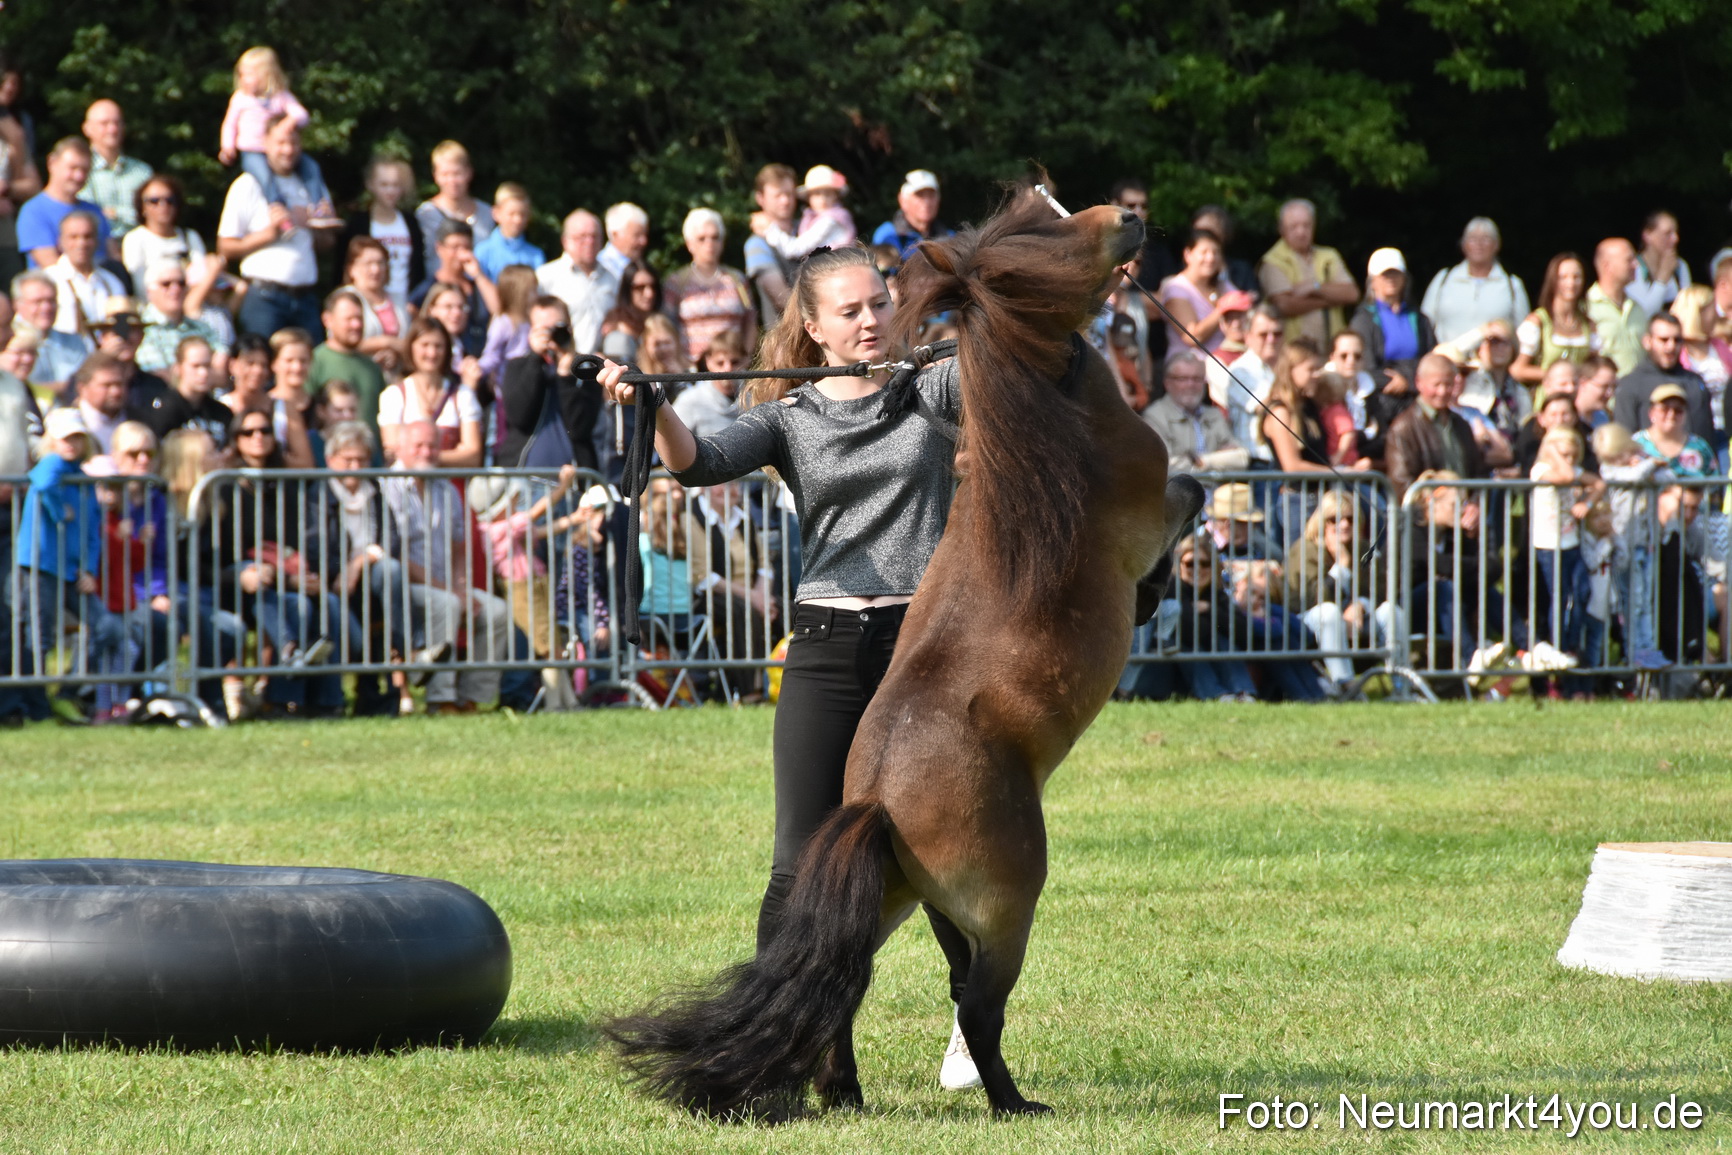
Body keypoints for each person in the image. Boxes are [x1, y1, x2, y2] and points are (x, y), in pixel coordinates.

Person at [595, 244, 978, 1086]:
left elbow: (1030, 359)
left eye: (879, 303)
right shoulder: (791, 415)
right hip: (827, 648)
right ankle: (789, 1046)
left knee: (939, 852)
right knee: (796, 866)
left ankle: (973, 1028)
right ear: (813, 326)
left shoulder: (935, 385)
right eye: (850, 311)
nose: (871, 320)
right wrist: (654, 403)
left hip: (920, 653)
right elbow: (697, 464)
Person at [383, 419, 515, 713]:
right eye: (418, 445)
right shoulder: (387, 487)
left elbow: (458, 546)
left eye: (432, 446)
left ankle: (472, 698)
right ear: (400, 448)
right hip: (403, 589)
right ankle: (440, 699)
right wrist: (450, 591)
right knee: (447, 604)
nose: (426, 452)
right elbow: (396, 553)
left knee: (497, 611)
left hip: (445, 585)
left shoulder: (447, 489)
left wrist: (460, 586)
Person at [226, 405, 347, 718]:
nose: (258, 437)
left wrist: (307, 576)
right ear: (236, 439)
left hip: (285, 577)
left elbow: (300, 542)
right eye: (248, 432)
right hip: (241, 583)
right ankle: (283, 698)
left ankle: (327, 700)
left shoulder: (286, 486)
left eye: (265, 430)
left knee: (326, 604)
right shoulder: (225, 487)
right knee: (296, 604)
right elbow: (222, 554)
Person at [14, 407, 128, 722]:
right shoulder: (51, 463)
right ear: (52, 440)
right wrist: (58, 510)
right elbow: (42, 483)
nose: (71, 444)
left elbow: (92, 531)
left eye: (77, 437)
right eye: (65, 438)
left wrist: (89, 569)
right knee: (40, 637)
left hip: (73, 569)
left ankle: (67, 690)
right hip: (42, 564)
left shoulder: (83, 478)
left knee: (106, 628)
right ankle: (36, 704)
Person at [216, 114, 328, 339]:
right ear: (265, 142)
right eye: (281, 142)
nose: (288, 150)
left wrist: (313, 225)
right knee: (261, 359)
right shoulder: (247, 184)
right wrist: (269, 234)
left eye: (293, 143)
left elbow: (327, 244)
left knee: (310, 361)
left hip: (305, 297)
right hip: (264, 297)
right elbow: (225, 247)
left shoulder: (312, 185)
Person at [1284, 489, 1399, 690]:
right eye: (1335, 519)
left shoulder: (1363, 548)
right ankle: (1346, 685)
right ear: (1322, 522)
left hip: (1354, 623)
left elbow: (1381, 589)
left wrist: (1360, 605)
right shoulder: (1305, 549)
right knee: (1329, 612)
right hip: (1306, 623)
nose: (1344, 524)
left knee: (1391, 611)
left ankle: (1403, 686)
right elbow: (1315, 598)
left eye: (1350, 519)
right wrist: (1342, 566)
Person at [218, 47, 336, 224]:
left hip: (275, 151)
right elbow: (229, 125)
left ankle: (319, 207)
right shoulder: (240, 98)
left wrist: (289, 121)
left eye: (248, 75)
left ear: (265, 75)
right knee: (264, 177)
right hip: (253, 151)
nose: (242, 79)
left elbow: (302, 115)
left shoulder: (280, 97)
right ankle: (278, 209)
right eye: (241, 75)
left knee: (311, 167)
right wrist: (227, 147)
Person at [1529, 427, 1602, 696]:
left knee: (1582, 592)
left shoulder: (1570, 469)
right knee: (1559, 599)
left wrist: (1587, 504)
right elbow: (1567, 476)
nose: (1569, 460)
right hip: (1549, 546)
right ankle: (1559, 648)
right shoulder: (1540, 470)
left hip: (1571, 543)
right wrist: (1552, 453)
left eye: (1573, 455)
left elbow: (1599, 484)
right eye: (1564, 454)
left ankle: (1570, 643)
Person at [498, 296, 603, 469]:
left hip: (575, 478)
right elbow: (519, 418)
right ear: (531, 332)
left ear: (570, 329)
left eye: (558, 328)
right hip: (523, 476)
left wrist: (566, 375)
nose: (552, 336)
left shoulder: (587, 370)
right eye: (544, 330)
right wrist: (535, 359)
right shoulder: (517, 366)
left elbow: (580, 429)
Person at [377, 317, 483, 466]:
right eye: (425, 345)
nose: (432, 353)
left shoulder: (463, 396)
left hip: (450, 481)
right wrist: (454, 455)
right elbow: (393, 452)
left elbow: (473, 456)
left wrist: (420, 456)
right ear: (411, 347)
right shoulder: (394, 395)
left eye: (438, 346)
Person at [1385, 353, 1487, 500]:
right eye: (1436, 385)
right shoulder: (1403, 427)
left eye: (1448, 384)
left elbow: (1479, 473)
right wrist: (1435, 505)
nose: (1442, 391)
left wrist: (1475, 503)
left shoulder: (1461, 424)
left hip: (1463, 510)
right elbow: (1402, 483)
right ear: (1418, 382)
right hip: (1427, 512)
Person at [1257, 198, 1357, 346]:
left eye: (1306, 225)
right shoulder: (1272, 261)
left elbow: (1351, 294)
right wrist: (1330, 299)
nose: (1301, 232)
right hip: (1293, 351)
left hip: (1333, 350)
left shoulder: (1329, 256)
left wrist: (1315, 287)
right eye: (1294, 226)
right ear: (1281, 229)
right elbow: (1286, 306)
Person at [662, 208, 755, 364]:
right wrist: (680, 363)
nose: (709, 244)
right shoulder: (676, 282)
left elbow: (751, 319)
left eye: (715, 237)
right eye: (702, 238)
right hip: (691, 368)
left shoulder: (737, 279)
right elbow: (666, 326)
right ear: (689, 243)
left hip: (733, 367)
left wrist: (745, 359)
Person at [1419, 218, 1531, 346]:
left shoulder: (1512, 285)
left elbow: (1524, 334)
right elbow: (1424, 325)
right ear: (1464, 245)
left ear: (1496, 245)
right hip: (1447, 356)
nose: (1479, 244)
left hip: (1494, 358)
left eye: (1486, 239)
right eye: (1472, 239)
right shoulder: (1443, 279)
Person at [1611, 312, 1715, 444]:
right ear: (1647, 342)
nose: (1671, 346)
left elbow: (1707, 438)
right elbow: (1625, 439)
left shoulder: (1695, 382)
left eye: (1677, 340)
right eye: (1664, 340)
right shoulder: (1630, 384)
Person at [1140, 351, 1248, 475]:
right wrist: (1220, 460)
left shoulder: (1214, 414)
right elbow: (1164, 465)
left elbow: (1242, 458)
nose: (1190, 385)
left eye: (1197, 379)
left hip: (1215, 488)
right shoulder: (1154, 416)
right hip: (1178, 487)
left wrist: (1202, 461)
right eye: (1183, 379)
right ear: (1167, 383)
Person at [1349, 247, 1435, 398]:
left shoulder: (1419, 318)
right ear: (1372, 281)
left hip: (1419, 394)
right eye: (1384, 274)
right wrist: (1393, 381)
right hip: (1380, 397)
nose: (1390, 278)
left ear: (1404, 278)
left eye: (1395, 273)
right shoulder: (1363, 321)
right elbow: (1364, 366)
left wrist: (1408, 382)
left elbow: (1431, 357)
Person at [338, 156, 424, 306]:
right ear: (371, 185)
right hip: (367, 302)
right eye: (384, 185)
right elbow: (344, 265)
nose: (390, 191)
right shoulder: (359, 223)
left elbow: (418, 267)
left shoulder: (411, 223)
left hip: (405, 301)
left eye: (395, 185)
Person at [121, 174, 222, 296]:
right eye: (154, 201)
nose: (163, 205)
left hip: (193, 300)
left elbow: (203, 276)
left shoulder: (190, 236)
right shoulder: (135, 239)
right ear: (142, 207)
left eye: (170, 200)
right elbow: (139, 285)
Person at [17, 137, 109, 270]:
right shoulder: (34, 211)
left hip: (101, 280)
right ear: (52, 163)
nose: (79, 176)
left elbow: (112, 255)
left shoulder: (94, 210)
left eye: (85, 170)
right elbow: (50, 265)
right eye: (72, 168)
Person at [1158, 228, 1252, 358]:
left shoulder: (1223, 285)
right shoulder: (1177, 288)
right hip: (1190, 364)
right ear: (1188, 254)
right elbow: (1191, 337)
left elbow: (1244, 308)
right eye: (1204, 252)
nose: (1210, 258)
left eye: (1216, 252)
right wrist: (1222, 310)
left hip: (1226, 360)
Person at [1511, 252, 1599, 386]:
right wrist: (1558, 375)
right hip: (1548, 395)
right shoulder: (1538, 321)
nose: (1571, 283)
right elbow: (1517, 370)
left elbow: (1595, 367)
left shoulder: (1589, 325)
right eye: (1563, 277)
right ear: (1553, 280)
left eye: (1576, 277)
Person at [130, 335, 233, 449]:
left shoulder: (221, 412)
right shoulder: (164, 410)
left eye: (207, 366)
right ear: (178, 368)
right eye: (196, 366)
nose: (203, 373)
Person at [410, 220, 496, 354]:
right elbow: (411, 312)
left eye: (466, 247)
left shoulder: (478, 286)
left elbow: (498, 309)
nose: (461, 253)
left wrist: (478, 274)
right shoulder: (427, 288)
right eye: (455, 247)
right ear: (439, 248)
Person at [536, 209, 616, 354]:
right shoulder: (546, 276)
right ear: (565, 241)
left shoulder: (612, 278)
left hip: (600, 361)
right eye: (582, 237)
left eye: (594, 236)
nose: (589, 242)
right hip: (560, 359)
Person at [1670, 283, 1732, 469]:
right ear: (1695, 313)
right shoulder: (1677, 351)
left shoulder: (1719, 347)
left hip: (1725, 430)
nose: (1716, 314)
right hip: (1693, 433)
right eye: (1710, 309)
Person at [310, 289, 387, 431]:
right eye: (349, 319)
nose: (356, 325)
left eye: (360, 318)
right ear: (327, 320)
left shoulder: (372, 367)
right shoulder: (314, 362)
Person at [415, 140, 493, 278]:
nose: (452, 181)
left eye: (457, 173)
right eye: (445, 174)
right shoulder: (425, 214)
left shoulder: (487, 213)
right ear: (435, 176)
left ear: (469, 172)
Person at [1216, 303, 1283, 456]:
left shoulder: (1286, 367)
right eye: (1263, 334)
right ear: (1248, 337)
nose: (1271, 339)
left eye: (1277, 333)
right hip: (1257, 460)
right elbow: (1269, 406)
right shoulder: (1240, 370)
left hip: (1282, 459)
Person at [135, 259, 223, 373]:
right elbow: (157, 375)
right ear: (149, 292)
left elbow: (221, 369)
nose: (175, 289)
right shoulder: (141, 329)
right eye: (166, 284)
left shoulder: (201, 327)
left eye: (181, 283)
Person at [44, 210, 125, 334]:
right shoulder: (48, 280)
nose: (81, 243)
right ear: (60, 241)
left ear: (97, 241)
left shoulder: (110, 281)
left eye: (88, 236)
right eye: (73, 237)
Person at [753, 164, 857, 260]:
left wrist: (769, 229)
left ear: (836, 196)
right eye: (817, 194)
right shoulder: (810, 221)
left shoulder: (830, 220)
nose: (823, 200)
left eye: (828, 194)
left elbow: (795, 250)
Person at [12, 270, 89, 397]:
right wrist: (65, 387)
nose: (46, 307)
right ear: (17, 305)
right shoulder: (8, 344)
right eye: (38, 302)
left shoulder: (74, 342)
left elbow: (87, 385)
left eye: (51, 300)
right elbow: (15, 387)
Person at [339, 236, 410, 375]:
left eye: (380, 263)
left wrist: (395, 354)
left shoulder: (398, 300)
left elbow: (408, 342)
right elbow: (339, 342)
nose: (375, 269)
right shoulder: (344, 299)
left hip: (394, 375)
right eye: (368, 263)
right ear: (352, 268)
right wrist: (386, 342)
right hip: (355, 373)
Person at [744, 164, 799, 328]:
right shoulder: (757, 244)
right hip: (786, 336)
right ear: (760, 198)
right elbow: (781, 298)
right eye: (777, 195)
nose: (785, 201)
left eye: (789, 193)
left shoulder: (809, 230)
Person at [1456, 319, 1530, 437]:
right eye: (1493, 341)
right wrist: (1481, 333)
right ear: (1479, 348)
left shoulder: (1520, 391)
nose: (1500, 347)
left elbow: (1526, 431)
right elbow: (1446, 356)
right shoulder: (1467, 381)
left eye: (1506, 342)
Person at [1586, 237, 1648, 376]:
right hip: (1606, 387)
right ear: (1607, 266)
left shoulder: (1637, 308)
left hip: (1638, 387)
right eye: (1629, 260)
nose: (1636, 264)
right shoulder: (1587, 307)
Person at [671, 329, 746, 440]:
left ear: (745, 360)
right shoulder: (690, 400)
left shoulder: (755, 396)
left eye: (735, 362)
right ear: (708, 362)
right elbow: (672, 441)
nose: (728, 368)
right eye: (720, 363)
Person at [1633, 383, 1716, 479]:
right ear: (1651, 412)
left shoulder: (1700, 447)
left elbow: (1715, 484)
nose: (1671, 415)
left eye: (1678, 410)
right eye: (1664, 409)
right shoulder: (1635, 445)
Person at [477, 264, 538, 392]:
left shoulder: (532, 319)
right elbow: (492, 354)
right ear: (518, 293)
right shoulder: (502, 322)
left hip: (530, 382)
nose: (536, 294)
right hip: (508, 386)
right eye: (532, 290)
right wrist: (477, 368)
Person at [871, 169, 954, 261]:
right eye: (919, 195)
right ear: (903, 201)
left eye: (931, 195)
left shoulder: (951, 238)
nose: (927, 202)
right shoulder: (887, 235)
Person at [473, 183, 543, 282]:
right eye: (511, 214)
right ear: (496, 213)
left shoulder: (535, 255)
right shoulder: (482, 251)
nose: (518, 220)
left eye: (523, 214)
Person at [1629, 210, 1691, 319]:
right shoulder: (1635, 267)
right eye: (1667, 233)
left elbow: (1689, 310)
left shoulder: (1680, 266)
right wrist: (1662, 279)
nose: (1675, 239)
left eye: (1676, 233)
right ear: (1647, 235)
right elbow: (1644, 314)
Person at [599, 260, 660, 364]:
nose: (649, 294)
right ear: (627, 290)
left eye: (653, 286)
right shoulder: (616, 326)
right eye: (640, 287)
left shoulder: (663, 321)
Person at [598, 201, 649, 281]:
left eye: (645, 235)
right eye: (637, 235)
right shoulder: (600, 268)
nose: (643, 241)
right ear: (615, 235)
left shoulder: (643, 269)